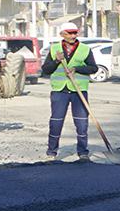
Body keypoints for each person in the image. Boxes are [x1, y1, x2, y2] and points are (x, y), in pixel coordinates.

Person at [41, 25, 99, 161]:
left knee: (82, 123)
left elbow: (93, 68)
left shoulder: (85, 49)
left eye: (75, 33)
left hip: (78, 90)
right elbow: (46, 70)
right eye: (70, 33)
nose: (73, 36)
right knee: (56, 122)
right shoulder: (54, 49)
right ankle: (51, 153)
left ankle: (83, 153)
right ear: (62, 34)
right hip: (60, 91)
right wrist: (56, 61)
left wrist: (76, 69)